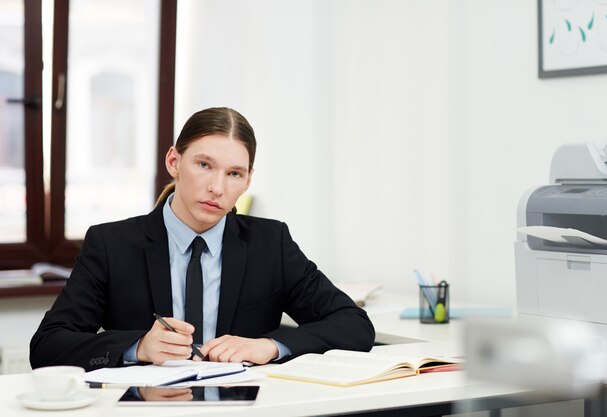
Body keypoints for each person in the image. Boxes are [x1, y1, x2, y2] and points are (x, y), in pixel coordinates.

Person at [30, 107, 375, 371]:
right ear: (174, 161)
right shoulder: (111, 244)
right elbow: (47, 346)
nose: (217, 188)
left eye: (234, 173)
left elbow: (353, 325)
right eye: (204, 165)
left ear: (248, 180)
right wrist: (139, 348)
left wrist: (268, 346)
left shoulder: (271, 244)